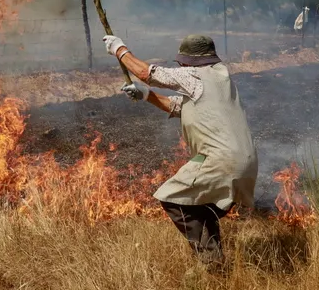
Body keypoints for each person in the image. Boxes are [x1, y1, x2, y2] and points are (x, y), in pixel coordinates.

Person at [102, 33, 258, 261]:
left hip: (220, 160)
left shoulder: (195, 74)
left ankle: (210, 262)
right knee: (203, 208)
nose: (182, 65)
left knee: (172, 198)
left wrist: (119, 50)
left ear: (188, 61)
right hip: (246, 161)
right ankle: (214, 261)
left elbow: (148, 73)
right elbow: (178, 107)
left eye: (182, 62)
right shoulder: (220, 78)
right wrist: (146, 95)